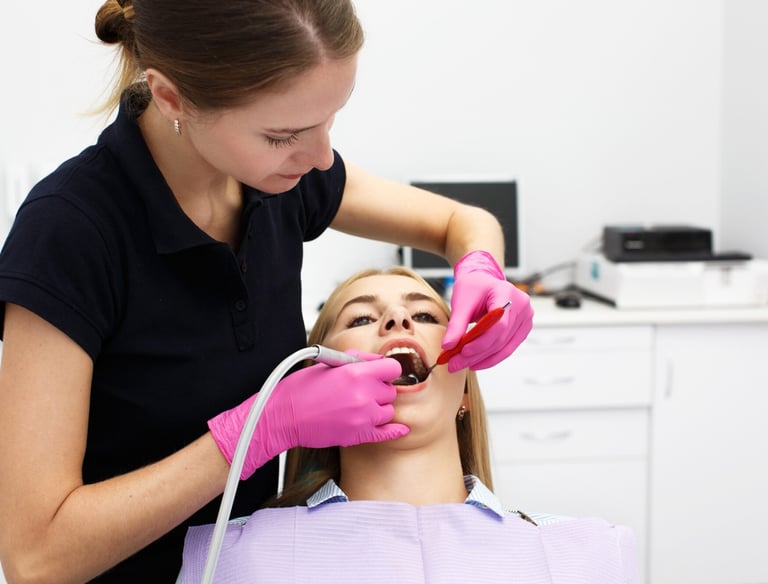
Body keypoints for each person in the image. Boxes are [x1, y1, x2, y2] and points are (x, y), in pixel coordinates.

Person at [0, 1, 535, 583]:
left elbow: (461, 222)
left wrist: (483, 268)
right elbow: (35, 560)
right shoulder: (71, 232)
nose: (322, 157)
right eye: (283, 135)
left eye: (332, 117)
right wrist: (258, 430)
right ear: (172, 97)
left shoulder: (282, 179)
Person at [179, 267, 639, 584]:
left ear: (464, 392)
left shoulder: (588, 553)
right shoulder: (230, 554)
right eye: (361, 317)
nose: (397, 320)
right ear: (317, 382)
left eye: (424, 315)